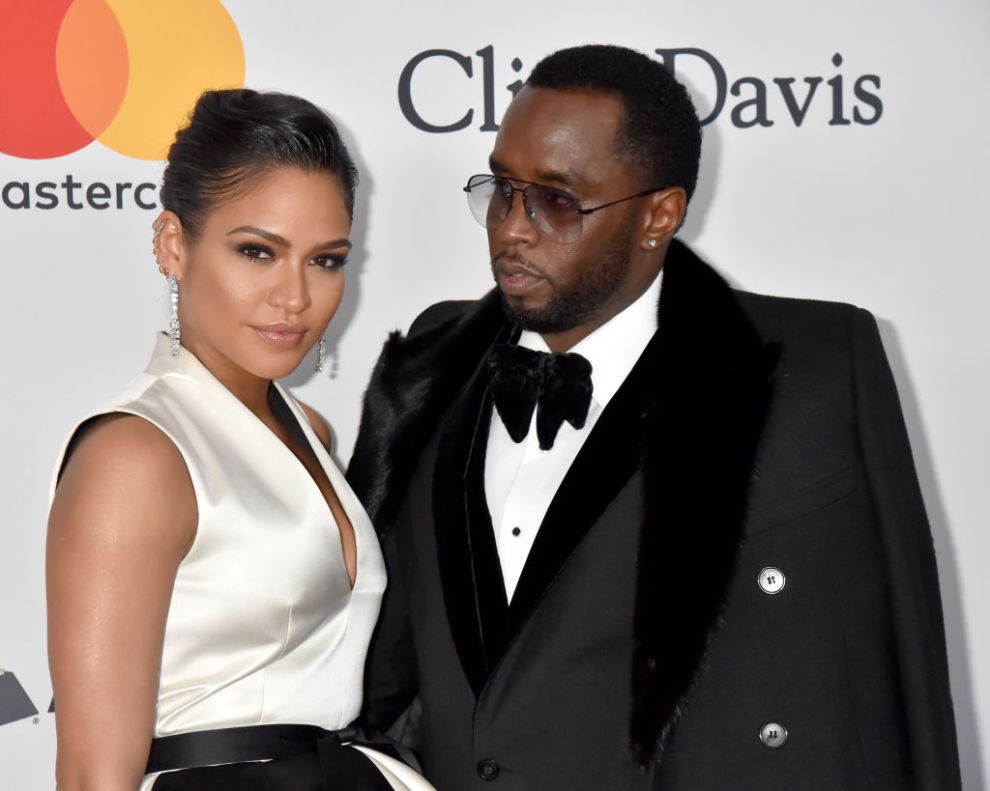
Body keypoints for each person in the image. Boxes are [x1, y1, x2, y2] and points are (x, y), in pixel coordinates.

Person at [348, 45, 962, 790]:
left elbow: (892, 677)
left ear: (658, 216)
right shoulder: (430, 366)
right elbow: (377, 670)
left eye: (556, 199)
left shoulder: (815, 370)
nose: (511, 228)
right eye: (502, 188)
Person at [47, 89, 433, 791]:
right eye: (258, 251)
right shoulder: (135, 455)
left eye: (325, 260)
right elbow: (91, 774)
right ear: (173, 244)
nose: (294, 296)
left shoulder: (308, 430)